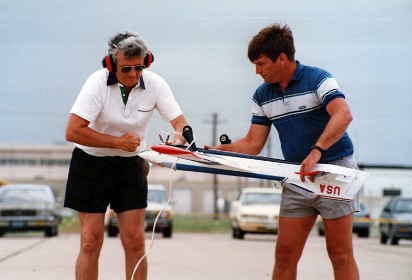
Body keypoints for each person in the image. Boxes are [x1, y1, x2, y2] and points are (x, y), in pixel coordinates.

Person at [206, 23, 360, 280]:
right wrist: (220, 151)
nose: (257, 71)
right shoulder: (262, 95)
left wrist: (316, 152)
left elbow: (343, 114)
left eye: (261, 64)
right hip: (298, 176)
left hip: (335, 172)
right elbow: (253, 144)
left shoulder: (318, 78)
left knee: (340, 252)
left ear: (281, 58)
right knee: (285, 255)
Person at [64, 31, 189, 280]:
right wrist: (118, 143)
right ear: (111, 64)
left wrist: (177, 141)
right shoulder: (96, 83)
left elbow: (181, 125)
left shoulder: (155, 84)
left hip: (131, 167)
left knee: (135, 242)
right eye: (126, 69)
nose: (133, 75)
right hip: (90, 165)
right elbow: (72, 131)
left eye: (139, 68)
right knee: (90, 241)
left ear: (147, 62)